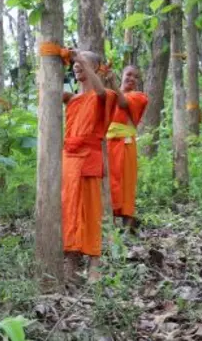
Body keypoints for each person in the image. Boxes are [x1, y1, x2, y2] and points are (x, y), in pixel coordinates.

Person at [62, 51, 122, 283]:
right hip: (68, 159)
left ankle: (94, 264)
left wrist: (81, 59)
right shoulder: (72, 98)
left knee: (90, 211)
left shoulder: (106, 95)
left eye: (83, 62)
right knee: (69, 210)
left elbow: (98, 91)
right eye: (76, 63)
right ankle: (71, 263)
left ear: (96, 68)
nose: (77, 66)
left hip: (88, 158)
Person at [106, 65, 148, 232]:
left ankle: (127, 227)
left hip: (126, 144)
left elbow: (122, 102)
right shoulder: (109, 94)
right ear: (122, 75)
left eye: (135, 77)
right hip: (107, 145)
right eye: (128, 74)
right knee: (109, 183)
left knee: (126, 183)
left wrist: (113, 84)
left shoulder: (139, 97)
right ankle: (109, 226)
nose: (131, 78)